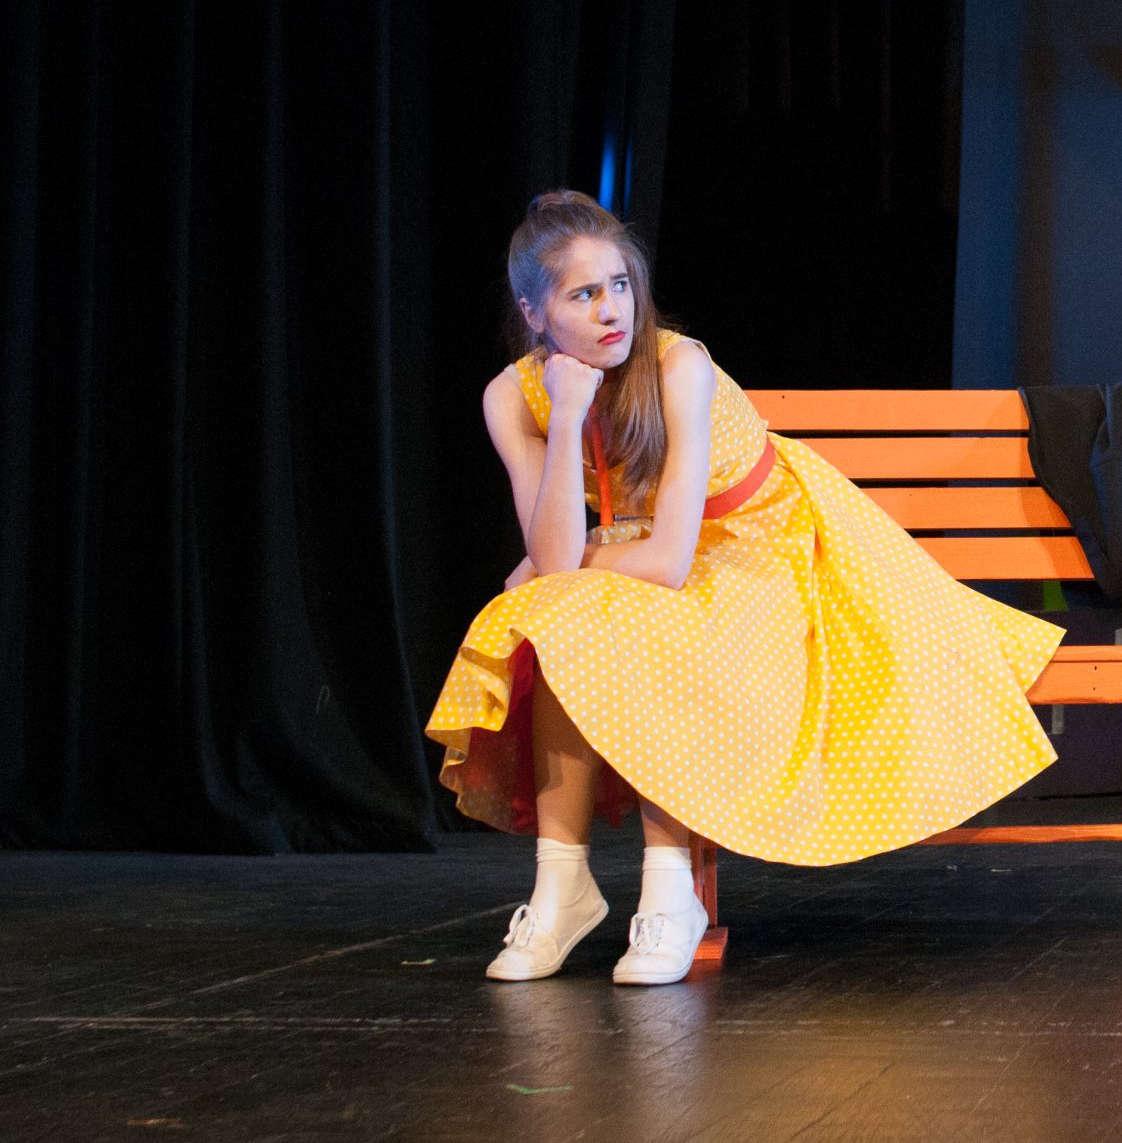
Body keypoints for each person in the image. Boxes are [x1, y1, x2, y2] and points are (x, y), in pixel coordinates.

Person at [424, 192, 1063, 985]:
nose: (611, 310)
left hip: (763, 545)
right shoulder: (512, 396)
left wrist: (564, 563)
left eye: (620, 285)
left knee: (642, 616)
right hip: (651, 546)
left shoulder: (677, 366)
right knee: (553, 616)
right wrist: (567, 415)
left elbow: (666, 561)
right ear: (533, 312)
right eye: (583, 295)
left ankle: (670, 894)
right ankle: (562, 889)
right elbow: (557, 563)